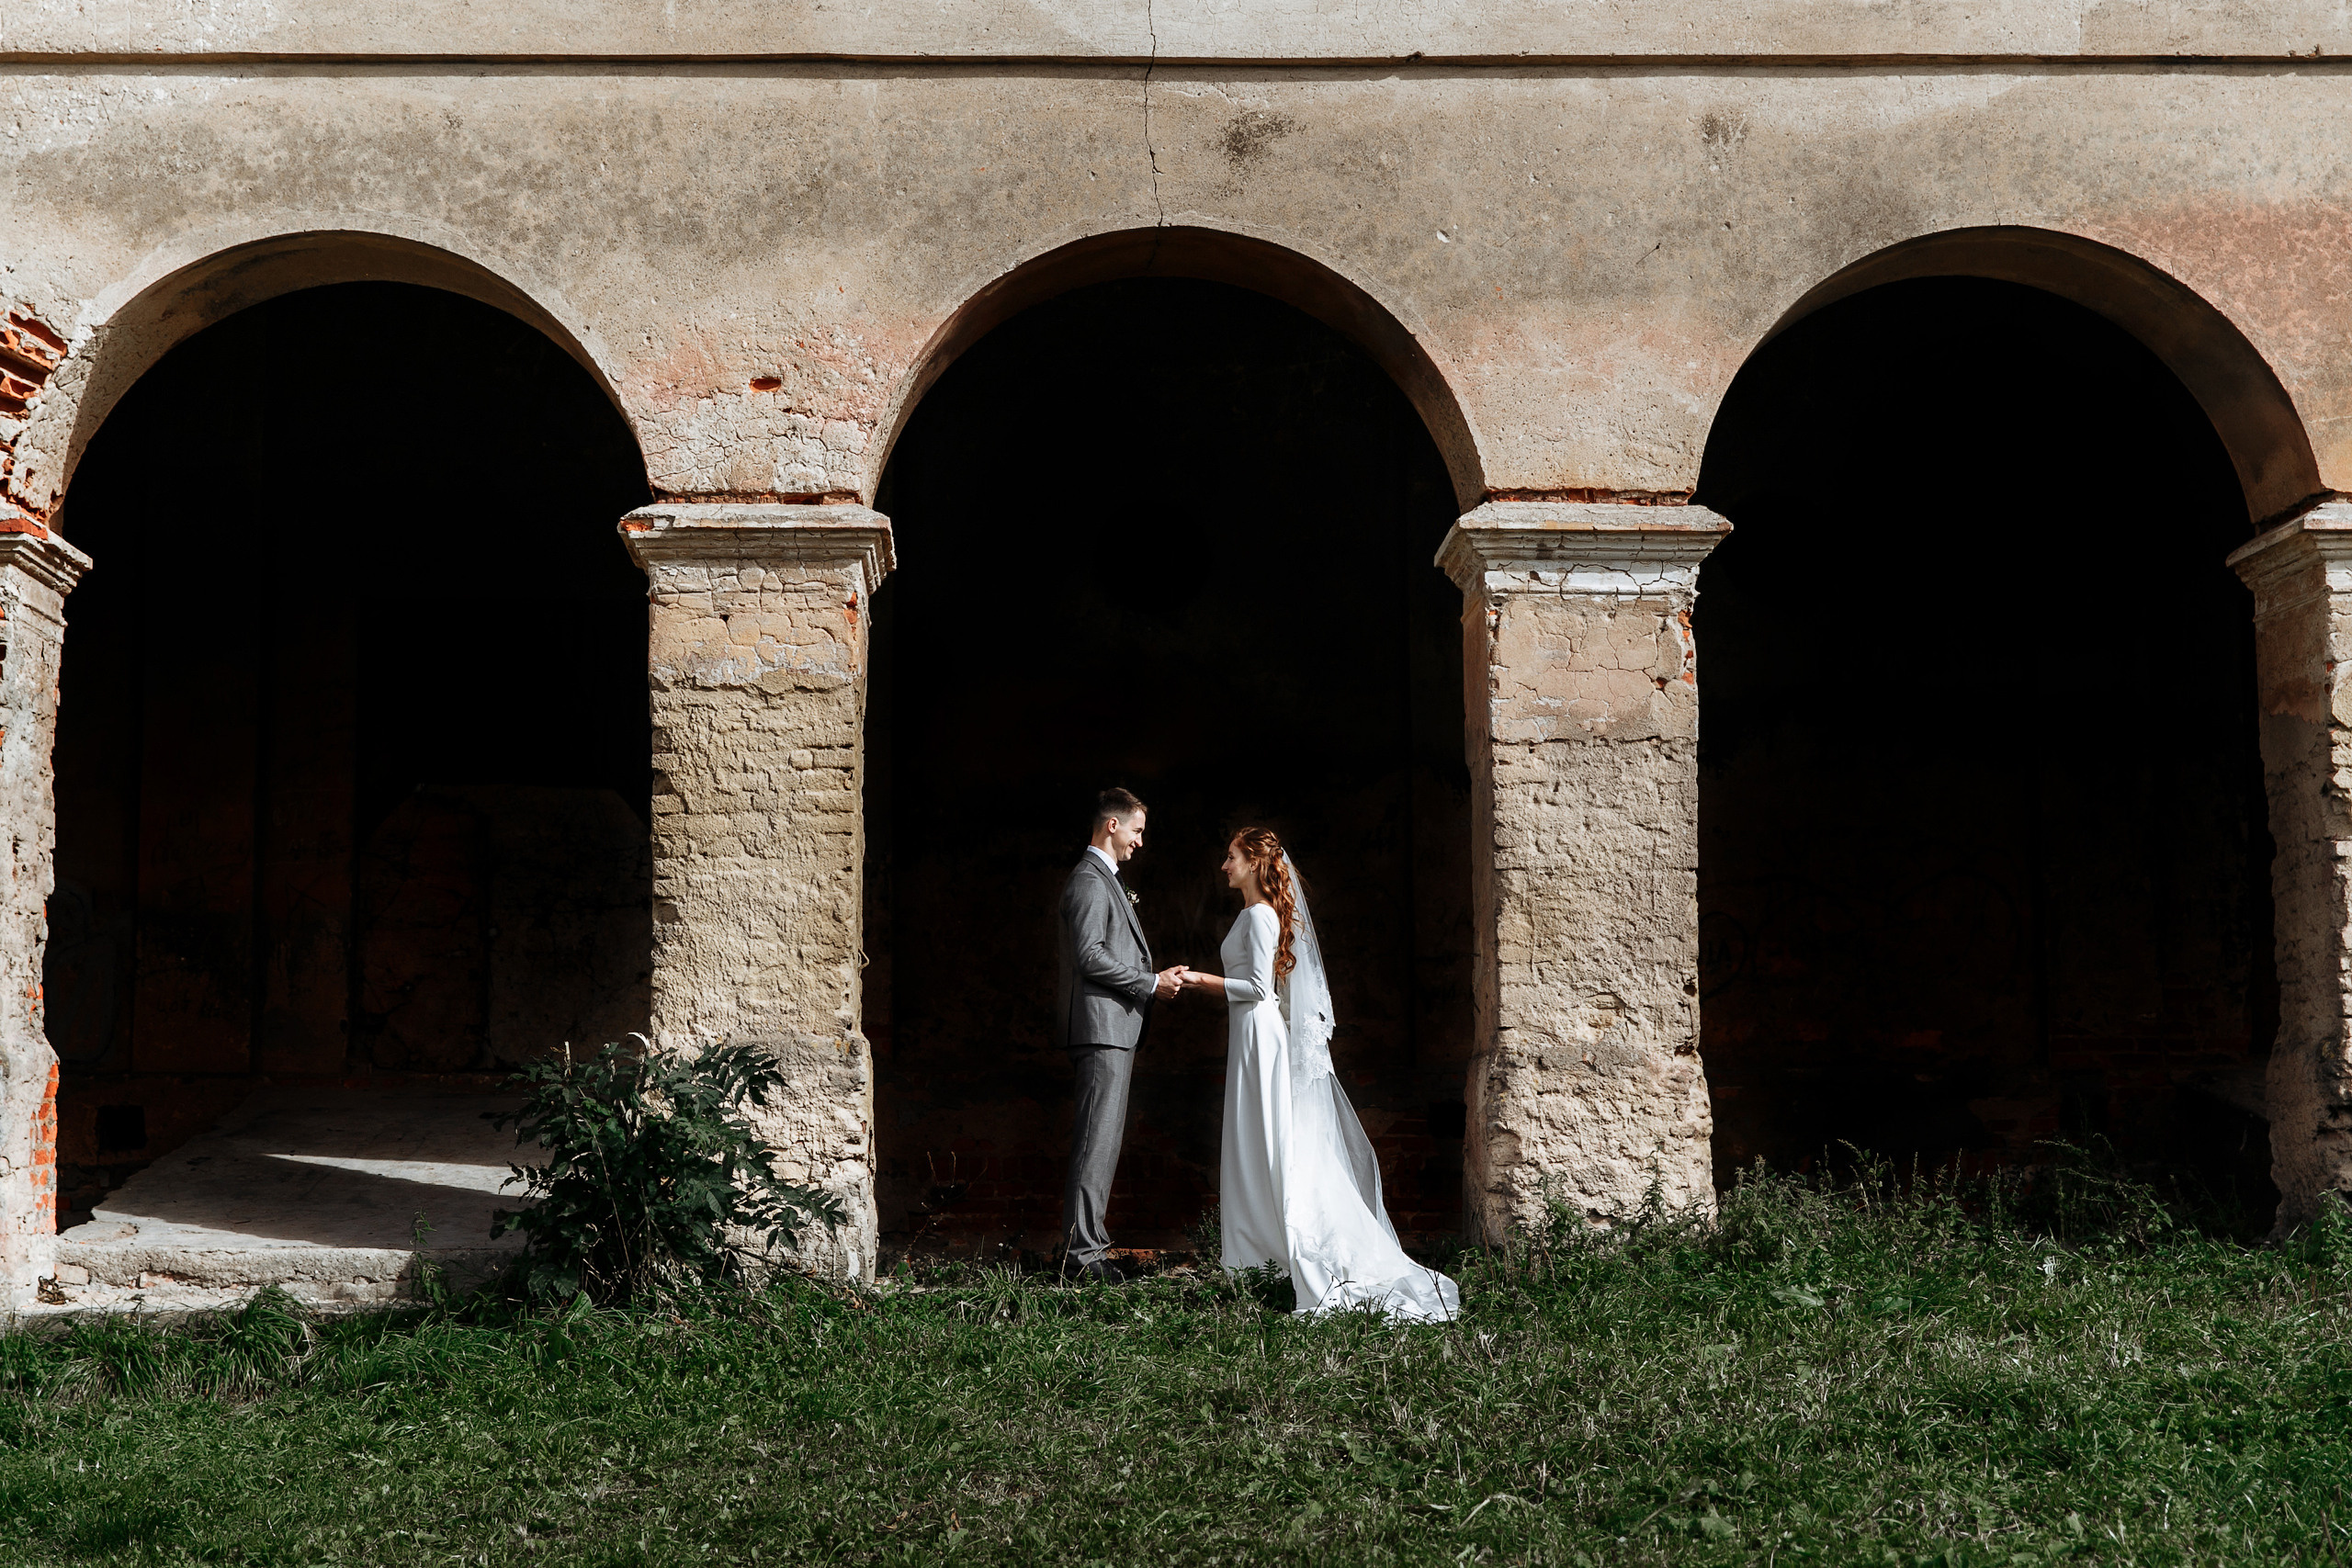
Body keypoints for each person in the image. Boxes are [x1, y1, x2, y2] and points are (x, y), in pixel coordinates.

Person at [1176, 828, 1459, 1320]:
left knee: (1265, 1139)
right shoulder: (1252, 914)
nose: (1225, 866)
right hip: (1248, 1034)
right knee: (1253, 1140)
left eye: (1231, 857)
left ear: (1254, 864)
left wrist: (1200, 979)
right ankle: (1255, 1255)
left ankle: (1273, 1251)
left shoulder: (1261, 916)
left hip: (1259, 1034)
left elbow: (1260, 987)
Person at [1054, 786, 1186, 1284]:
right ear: (1112, 825)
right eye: (1137, 830)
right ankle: (1081, 1259)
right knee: (1096, 1141)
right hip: (1101, 1029)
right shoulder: (1090, 881)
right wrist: (1150, 982)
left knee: (1101, 1141)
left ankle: (1085, 1250)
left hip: (1112, 1029)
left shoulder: (1104, 879)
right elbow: (1090, 955)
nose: (1140, 842)